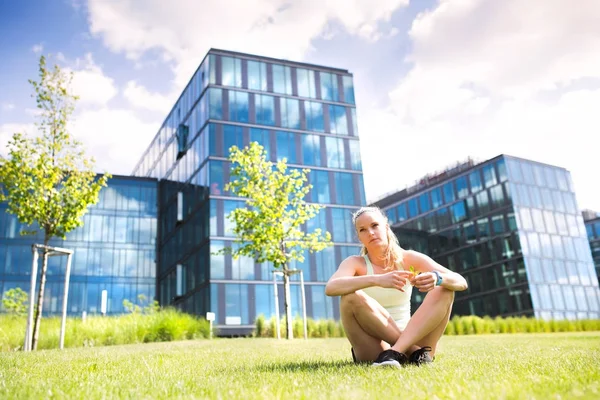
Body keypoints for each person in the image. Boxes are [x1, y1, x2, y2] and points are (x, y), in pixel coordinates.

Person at [325, 206, 468, 367]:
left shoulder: (409, 258)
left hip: (415, 336)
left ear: (386, 227)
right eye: (363, 230)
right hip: (376, 347)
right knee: (350, 296)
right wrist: (377, 280)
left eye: (374, 225)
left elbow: (461, 281)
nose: (370, 233)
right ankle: (411, 352)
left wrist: (437, 277)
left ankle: (397, 352)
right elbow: (331, 287)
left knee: (445, 288)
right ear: (359, 237)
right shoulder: (354, 263)